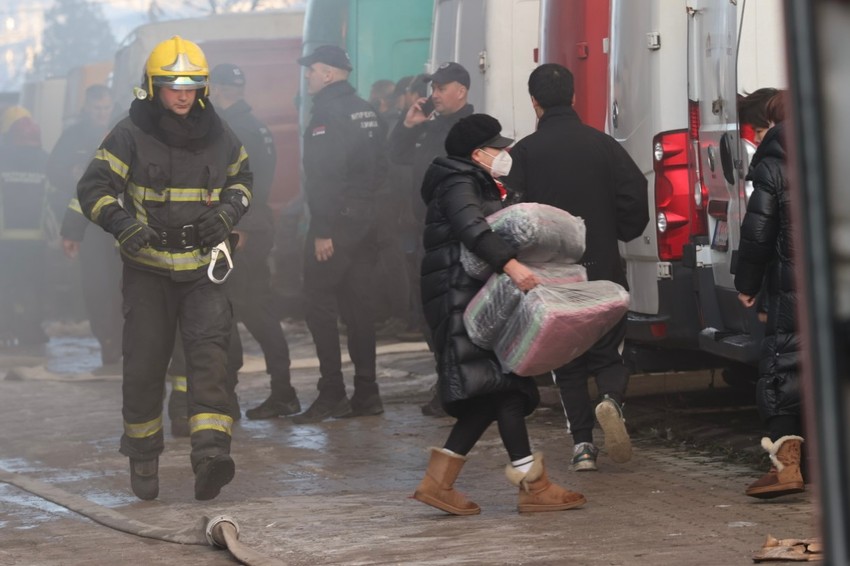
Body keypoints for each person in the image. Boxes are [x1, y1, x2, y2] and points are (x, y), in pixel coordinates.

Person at [76, 36, 252, 501]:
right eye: (172, 84)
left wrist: (228, 214)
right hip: (147, 270)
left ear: (204, 88)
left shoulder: (220, 134)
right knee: (144, 366)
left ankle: (211, 457)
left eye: (192, 85)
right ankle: (143, 454)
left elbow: (242, 180)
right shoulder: (129, 134)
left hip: (203, 269)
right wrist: (122, 225)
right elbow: (92, 189)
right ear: (152, 87)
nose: (183, 94)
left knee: (211, 358)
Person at [412, 113, 585, 515]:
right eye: (499, 147)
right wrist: (512, 266)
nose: (505, 153)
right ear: (477, 153)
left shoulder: (473, 180)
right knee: (502, 386)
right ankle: (532, 484)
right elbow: (473, 229)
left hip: (473, 293)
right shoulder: (457, 182)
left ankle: (443, 483)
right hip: (460, 295)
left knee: (496, 390)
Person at [505, 63, 648, 472]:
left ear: (534, 102)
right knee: (609, 348)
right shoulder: (603, 145)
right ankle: (610, 400)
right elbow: (634, 191)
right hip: (602, 263)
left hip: (552, 275)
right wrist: (618, 231)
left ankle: (583, 446)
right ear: (573, 97)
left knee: (566, 357)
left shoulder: (524, 153)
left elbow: (513, 214)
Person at [294, 44, 385, 423]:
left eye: (311, 71)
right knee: (359, 307)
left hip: (339, 224)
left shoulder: (326, 115)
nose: (308, 77)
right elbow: (380, 169)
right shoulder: (366, 109)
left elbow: (324, 177)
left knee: (319, 304)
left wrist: (322, 230)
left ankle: (331, 392)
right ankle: (367, 392)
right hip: (367, 222)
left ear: (329, 73)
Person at [206, 63, 300, 420]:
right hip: (254, 225)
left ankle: (230, 396)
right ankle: (282, 391)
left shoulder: (236, 128)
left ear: (218, 90)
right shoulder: (256, 125)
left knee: (230, 309)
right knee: (258, 311)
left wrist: (237, 225)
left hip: (240, 229)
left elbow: (245, 183)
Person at [388, 61, 475, 413]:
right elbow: (395, 154)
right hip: (425, 234)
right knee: (431, 314)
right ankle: (448, 380)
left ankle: (461, 386)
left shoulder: (472, 129)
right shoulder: (430, 126)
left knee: (456, 314)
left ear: (461, 91)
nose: (434, 95)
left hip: (456, 238)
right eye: (432, 88)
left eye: (441, 88)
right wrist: (408, 125)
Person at [734, 91, 805, 499]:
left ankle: (787, 467)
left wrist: (747, 284)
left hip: (791, 284)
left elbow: (758, 231)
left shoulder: (773, 164)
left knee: (785, 363)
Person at [50, 85, 123, 373]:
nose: (102, 114)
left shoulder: (122, 132)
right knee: (95, 286)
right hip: (90, 224)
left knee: (123, 286)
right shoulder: (72, 137)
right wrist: (70, 174)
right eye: (97, 110)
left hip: (119, 224)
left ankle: (121, 340)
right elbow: (53, 169)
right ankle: (105, 339)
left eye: (106, 109)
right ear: (86, 109)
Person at [0, 110, 50, 349]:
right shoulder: (45, 159)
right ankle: (31, 331)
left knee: (5, 285)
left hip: (4, 240)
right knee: (33, 287)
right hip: (35, 239)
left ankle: (5, 330)